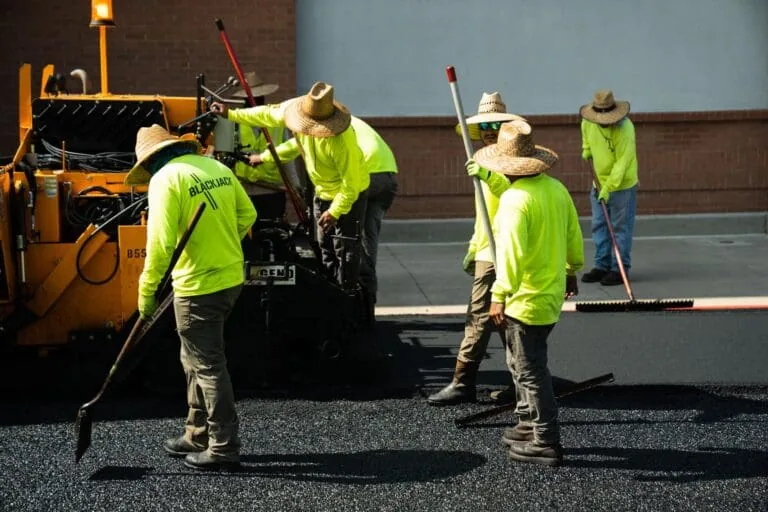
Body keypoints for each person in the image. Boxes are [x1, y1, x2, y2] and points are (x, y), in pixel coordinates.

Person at [125, 124, 257, 471]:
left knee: (208, 365)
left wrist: (147, 290)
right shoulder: (216, 167)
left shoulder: (165, 180)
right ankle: (196, 433)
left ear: (150, 160)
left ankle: (223, 446)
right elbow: (249, 215)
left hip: (199, 287)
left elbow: (160, 243)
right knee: (193, 358)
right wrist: (223, 244)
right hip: (230, 279)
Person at [466, 119, 584, 467]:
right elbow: (573, 236)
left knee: (531, 370)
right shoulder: (556, 189)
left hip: (524, 300)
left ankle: (546, 440)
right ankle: (526, 423)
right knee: (519, 363)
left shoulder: (515, 202)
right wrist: (571, 270)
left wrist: (499, 294)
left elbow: (511, 255)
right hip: (549, 294)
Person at [210, 82, 369, 292]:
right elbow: (268, 116)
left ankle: (347, 294)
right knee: (324, 245)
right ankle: (331, 290)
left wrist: (335, 211)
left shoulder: (341, 141)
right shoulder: (295, 112)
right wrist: (231, 115)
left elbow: (351, 185)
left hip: (348, 195)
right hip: (322, 192)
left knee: (345, 248)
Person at [427, 92, 527, 405]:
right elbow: (482, 211)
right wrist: (473, 245)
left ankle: (463, 382)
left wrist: (486, 175)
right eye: (483, 126)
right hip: (487, 248)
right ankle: (520, 381)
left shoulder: (512, 160)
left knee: (482, 316)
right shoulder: (482, 159)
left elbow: (510, 191)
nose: (488, 131)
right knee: (499, 318)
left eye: (495, 125)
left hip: (505, 249)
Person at [244, 115, 398, 310]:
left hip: (363, 175)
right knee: (364, 243)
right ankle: (365, 305)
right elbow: (296, 144)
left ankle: (341, 294)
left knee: (339, 239)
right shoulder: (341, 121)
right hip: (387, 178)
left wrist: (261, 158)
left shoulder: (325, 129)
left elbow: (295, 145)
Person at [578, 89, 638, 286]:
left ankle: (619, 269)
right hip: (598, 182)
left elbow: (623, 163)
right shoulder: (588, 121)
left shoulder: (625, 128)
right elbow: (586, 135)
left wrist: (608, 188)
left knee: (619, 228)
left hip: (622, 185)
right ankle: (602, 265)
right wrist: (586, 149)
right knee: (599, 225)